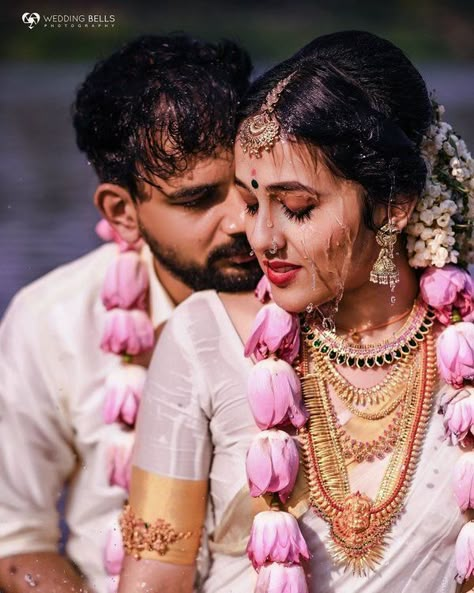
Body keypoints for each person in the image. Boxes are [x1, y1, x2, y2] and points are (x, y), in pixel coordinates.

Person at [119, 31, 474, 593]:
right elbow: (153, 580)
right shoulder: (205, 337)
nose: (260, 237)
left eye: (297, 208)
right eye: (252, 202)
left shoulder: (464, 354)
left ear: (393, 204)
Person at [0, 34, 263, 593]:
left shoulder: (323, 297)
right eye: (197, 200)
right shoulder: (53, 319)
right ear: (122, 213)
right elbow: (14, 542)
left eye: (250, 188)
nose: (242, 222)